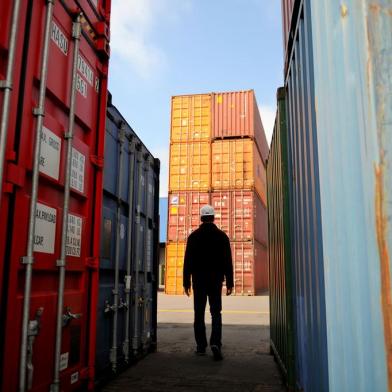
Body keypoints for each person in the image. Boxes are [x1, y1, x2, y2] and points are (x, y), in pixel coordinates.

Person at [183, 204, 234, 360]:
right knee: (216, 313)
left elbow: (188, 262)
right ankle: (215, 343)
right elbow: (228, 261)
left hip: (199, 281)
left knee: (199, 313)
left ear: (201, 217)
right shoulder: (222, 236)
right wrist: (230, 282)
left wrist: (186, 283)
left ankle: (200, 346)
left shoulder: (193, 237)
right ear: (213, 217)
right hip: (215, 281)